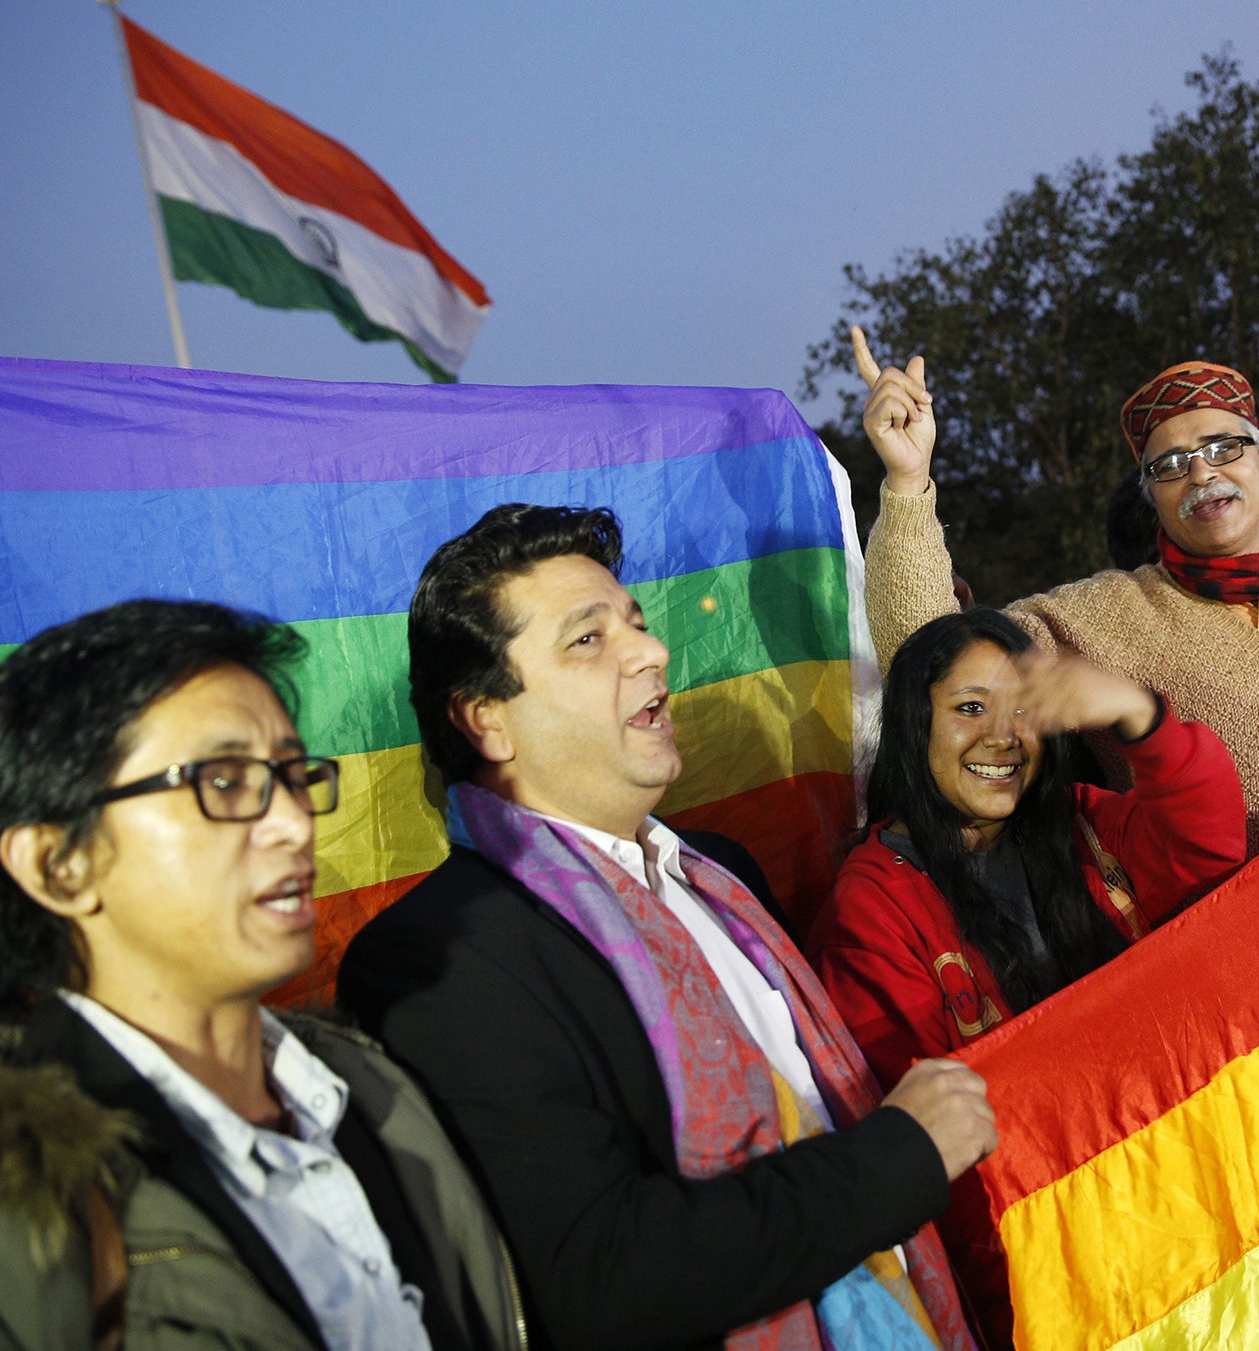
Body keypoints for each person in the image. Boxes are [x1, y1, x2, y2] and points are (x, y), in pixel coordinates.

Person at [337, 504, 991, 1351]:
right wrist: (897, 1161)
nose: (650, 653)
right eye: (588, 639)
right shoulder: (445, 953)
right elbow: (600, 1276)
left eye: (638, 625)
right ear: (485, 719)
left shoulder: (723, 875)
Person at [0, 599, 522, 1351]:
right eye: (224, 779)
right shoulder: (33, 1200)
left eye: (291, 774)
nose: (291, 821)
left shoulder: (371, 1089)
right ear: (58, 863)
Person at [852, 318, 1259, 856]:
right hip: (1242, 947)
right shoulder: (1103, 614)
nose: (1201, 472)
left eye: (1224, 448)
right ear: (1153, 499)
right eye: (1170, 465)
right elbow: (931, 659)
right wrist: (908, 480)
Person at [809, 609, 1246, 1085]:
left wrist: (1142, 716)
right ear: (914, 726)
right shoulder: (872, 908)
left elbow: (1206, 842)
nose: (1003, 737)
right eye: (971, 708)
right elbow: (920, 1106)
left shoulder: (1082, 823)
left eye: (1023, 709)